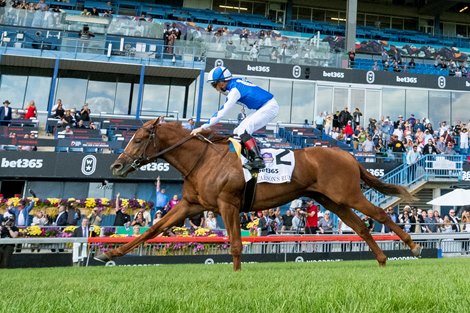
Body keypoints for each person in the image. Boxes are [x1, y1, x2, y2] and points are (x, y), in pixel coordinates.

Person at [191, 66, 279, 170]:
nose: (214, 87)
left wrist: (203, 127)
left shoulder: (234, 91)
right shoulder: (234, 84)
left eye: (214, 84)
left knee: (242, 130)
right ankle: (246, 158)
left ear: (222, 82)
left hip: (269, 107)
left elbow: (221, 113)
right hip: (265, 106)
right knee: (237, 131)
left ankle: (257, 160)